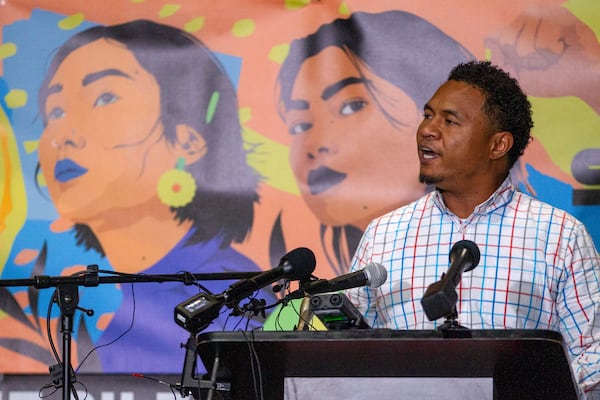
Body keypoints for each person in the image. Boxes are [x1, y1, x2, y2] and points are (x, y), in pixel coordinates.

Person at [2, 19, 275, 374]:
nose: (61, 135)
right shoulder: (104, 296)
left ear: (188, 140)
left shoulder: (234, 300)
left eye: (104, 98)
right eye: (55, 111)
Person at [346, 60, 600, 398]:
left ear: (498, 145)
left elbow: (593, 352)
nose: (428, 130)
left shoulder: (559, 236)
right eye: (428, 115)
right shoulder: (383, 234)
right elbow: (346, 351)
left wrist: (522, 389)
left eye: (449, 121)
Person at [275, 11, 472, 276]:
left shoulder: (525, 241)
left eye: (350, 106)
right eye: (300, 125)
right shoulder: (284, 297)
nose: (315, 144)